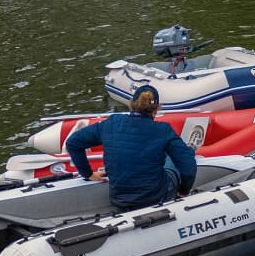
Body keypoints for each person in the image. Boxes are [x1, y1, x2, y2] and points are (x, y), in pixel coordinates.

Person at [66, 85, 198, 210]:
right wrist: (183, 192)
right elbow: (188, 167)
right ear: (156, 109)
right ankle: (190, 148)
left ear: (132, 105)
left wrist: (88, 174)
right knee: (176, 157)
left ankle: (188, 149)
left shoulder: (112, 122)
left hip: (120, 199)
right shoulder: (163, 130)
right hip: (156, 196)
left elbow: (73, 143)